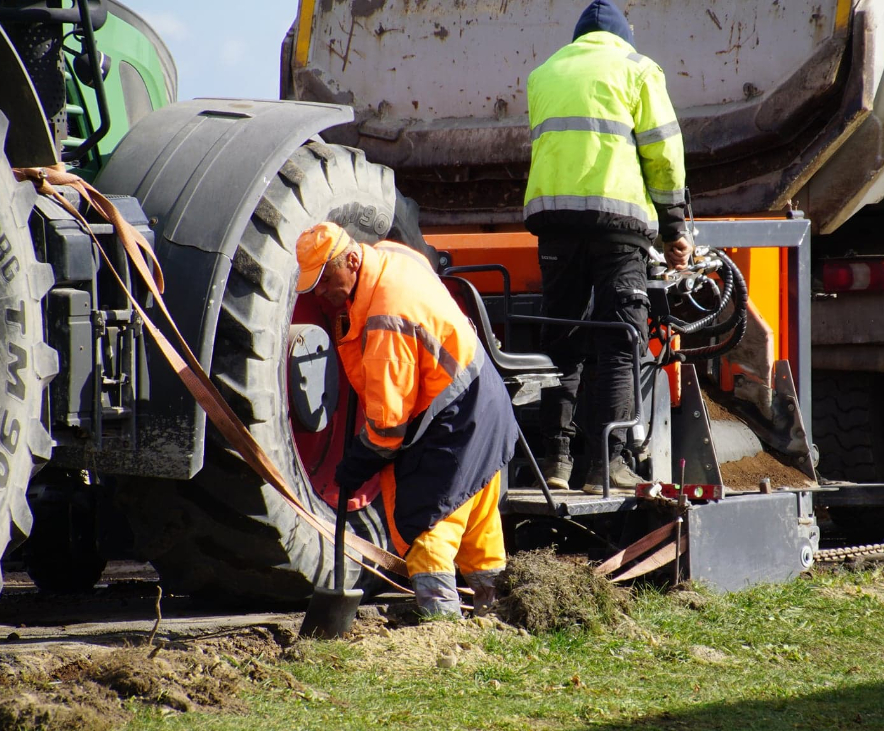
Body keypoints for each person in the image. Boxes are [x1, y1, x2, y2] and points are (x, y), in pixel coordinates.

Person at [295, 222, 517, 617]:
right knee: (479, 524)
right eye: (315, 286)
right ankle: (498, 616)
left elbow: (388, 427)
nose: (324, 293)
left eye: (327, 280)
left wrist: (359, 461)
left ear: (351, 259)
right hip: (485, 402)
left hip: (452, 421)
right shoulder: (387, 256)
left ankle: (442, 627)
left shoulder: (385, 319)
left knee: (426, 527)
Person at [524, 0, 692, 494]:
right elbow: (663, 152)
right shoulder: (638, 69)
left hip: (555, 224)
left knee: (561, 343)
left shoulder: (543, 74)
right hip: (618, 226)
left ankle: (555, 461)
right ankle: (604, 464)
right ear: (624, 37)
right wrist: (674, 227)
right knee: (620, 340)